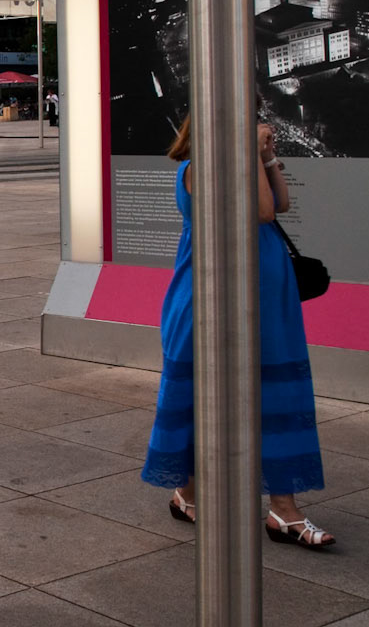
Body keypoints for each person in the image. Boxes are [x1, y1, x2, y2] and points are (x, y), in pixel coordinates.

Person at [142, 115, 334, 547]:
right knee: (204, 397)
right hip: (212, 295)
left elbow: (280, 205)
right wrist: (251, 152)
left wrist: (268, 159)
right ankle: (189, 492)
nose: (262, 127)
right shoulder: (197, 168)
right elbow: (261, 211)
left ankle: (283, 511)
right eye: (252, 121)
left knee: (277, 396)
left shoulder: (246, 162)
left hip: (265, 295)